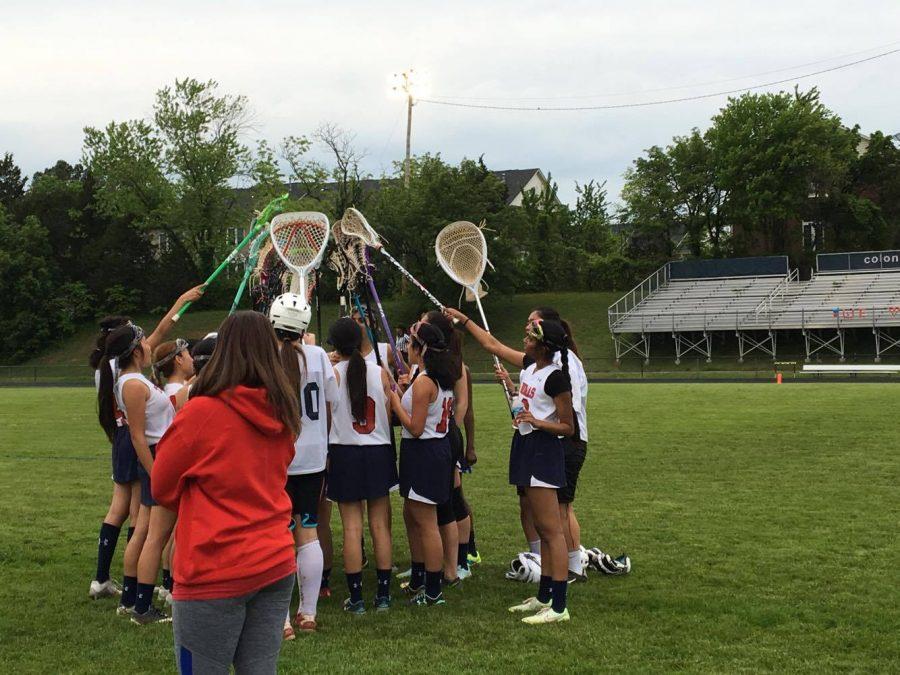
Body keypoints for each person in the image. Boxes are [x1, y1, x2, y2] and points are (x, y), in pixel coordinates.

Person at [153, 311, 300, 673]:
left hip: (213, 567)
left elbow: (162, 486)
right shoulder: (283, 408)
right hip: (274, 560)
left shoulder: (201, 412)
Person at [445, 308, 575, 624]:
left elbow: (568, 426)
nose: (524, 337)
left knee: (550, 530)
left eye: (530, 335)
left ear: (542, 346)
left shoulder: (557, 377)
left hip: (543, 452)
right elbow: (493, 346)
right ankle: (543, 596)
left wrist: (538, 422)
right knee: (542, 529)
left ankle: (559, 606)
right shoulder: (531, 367)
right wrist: (515, 392)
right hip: (525, 447)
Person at [95, 287, 202, 615]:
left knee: (143, 531)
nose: (148, 343)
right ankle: (140, 604)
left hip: (156, 456)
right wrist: (157, 474)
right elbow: (140, 438)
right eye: (142, 340)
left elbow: (161, 331)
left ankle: (130, 600)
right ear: (134, 350)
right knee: (150, 534)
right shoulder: (133, 384)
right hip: (155, 457)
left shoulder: (132, 378)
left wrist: (181, 301)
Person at [270, 293, 337, 636]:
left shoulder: (266, 358)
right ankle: (307, 614)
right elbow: (331, 401)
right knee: (307, 530)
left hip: (276, 458)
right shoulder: (319, 356)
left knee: (279, 534)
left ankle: (280, 620)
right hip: (311, 457)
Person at [327, 317, 397, 614]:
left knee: (351, 527)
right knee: (380, 526)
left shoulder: (334, 374)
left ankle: (356, 599)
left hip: (346, 453)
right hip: (378, 451)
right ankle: (382, 595)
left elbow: (329, 417)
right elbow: (389, 410)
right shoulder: (380, 372)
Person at [390, 318, 460, 606]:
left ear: (421, 349)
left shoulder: (426, 382)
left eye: (411, 345)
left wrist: (393, 399)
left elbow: (416, 427)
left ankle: (433, 590)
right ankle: (420, 577)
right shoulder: (434, 377)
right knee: (413, 514)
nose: (407, 349)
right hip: (432, 450)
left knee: (427, 522)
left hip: (425, 451)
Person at [89, 315, 140, 600]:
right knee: (136, 513)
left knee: (117, 509)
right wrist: (180, 304)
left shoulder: (103, 367)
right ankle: (134, 585)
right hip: (132, 437)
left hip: (120, 438)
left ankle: (101, 577)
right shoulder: (118, 366)